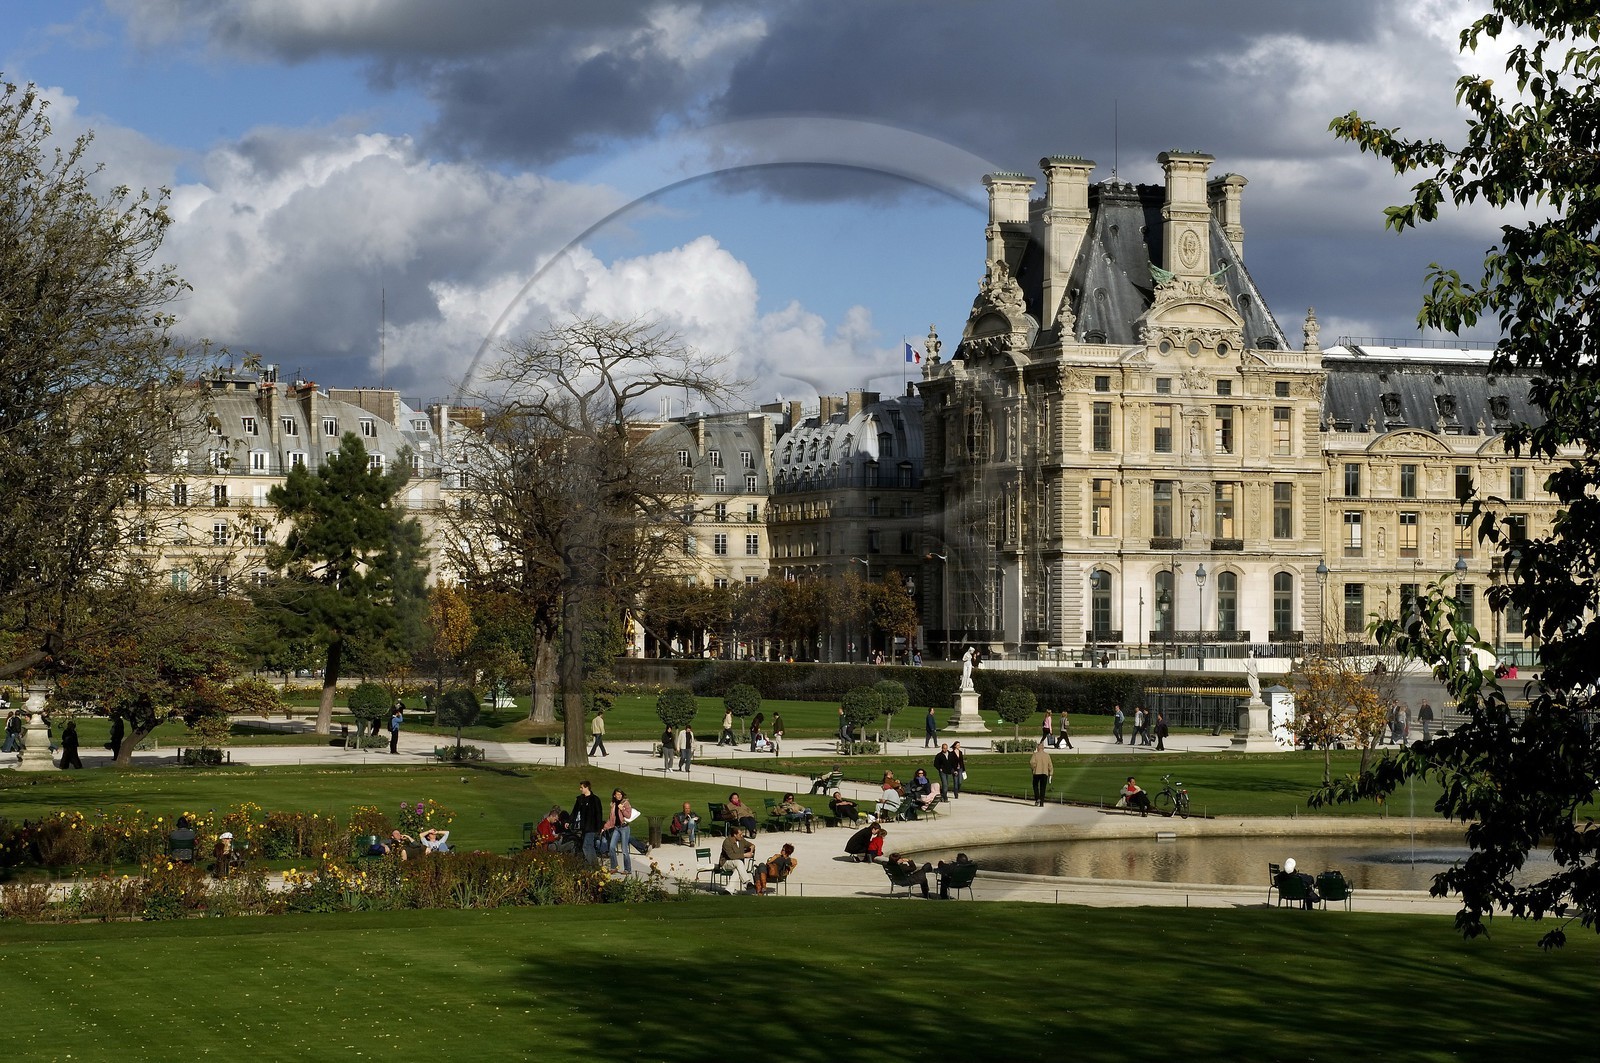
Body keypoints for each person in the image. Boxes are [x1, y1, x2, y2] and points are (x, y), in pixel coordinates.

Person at [571, 780, 603, 865]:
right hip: (584, 827)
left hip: (592, 827)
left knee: (586, 846)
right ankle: (594, 864)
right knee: (589, 845)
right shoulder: (580, 799)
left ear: (587, 787)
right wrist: (569, 821)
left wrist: (599, 827)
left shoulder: (595, 799)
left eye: (582, 787)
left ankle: (592, 864)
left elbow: (599, 814)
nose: (580, 789)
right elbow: (575, 811)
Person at [603, 788, 635, 873]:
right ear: (614, 795)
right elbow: (611, 818)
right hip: (616, 828)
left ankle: (627, 869)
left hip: (624, 827)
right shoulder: (613, 804)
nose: (619, 796)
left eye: (620, 794)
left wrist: (622, 809)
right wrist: (605, 827)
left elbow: (628, 815)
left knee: (624, 850)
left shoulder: (626, 803)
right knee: (612, 847)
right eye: (617, 794)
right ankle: (614, 867)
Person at [1028, 740, 1053, 806]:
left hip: (1037, 773)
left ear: (1038, 748)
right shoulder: (1047, 755)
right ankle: (1042, 802)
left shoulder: (1035, 755)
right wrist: (1051, 773)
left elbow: (1032, 763)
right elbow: (1050, 765)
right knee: (1043, 788)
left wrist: (1034, 768)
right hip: (1044, 773)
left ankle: (1037, 798)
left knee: (1035, 786)